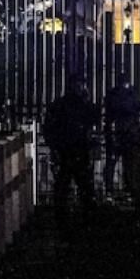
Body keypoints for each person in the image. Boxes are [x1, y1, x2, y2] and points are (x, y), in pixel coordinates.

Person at [41, 74, 99, 234]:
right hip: (77, 150)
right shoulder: (80, 105)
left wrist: (54, 147)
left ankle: (63, 221)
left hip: (66, 151)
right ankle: (85, 221)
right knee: (83, 187)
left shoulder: (59, 105)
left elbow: (48, 128)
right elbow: (94, 120)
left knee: (64, 188)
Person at [103, 68, 140, 190]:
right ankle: (127, 188)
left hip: (120, 133)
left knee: (118, 163)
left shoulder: (114, 94)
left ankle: (113, 189)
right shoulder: (130, 94)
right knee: (126, 163)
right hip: (122, 133)